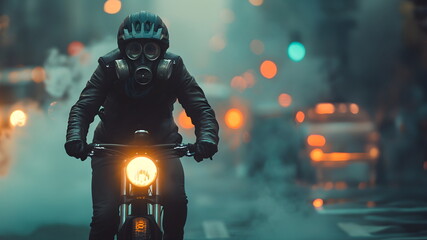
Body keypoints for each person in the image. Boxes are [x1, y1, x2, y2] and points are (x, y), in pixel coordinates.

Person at [64, 11, 219, 240]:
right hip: (111, 147)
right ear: (123, 50)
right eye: (134, 49)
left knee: (176, 202)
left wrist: (207, 139)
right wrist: (76, 138)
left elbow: (200, 107)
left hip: (163, 146)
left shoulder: (174, 67)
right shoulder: (108, 67)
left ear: (162, 51)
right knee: (104, 216)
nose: (142, 58)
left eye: (151, 50)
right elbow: (83, 107)